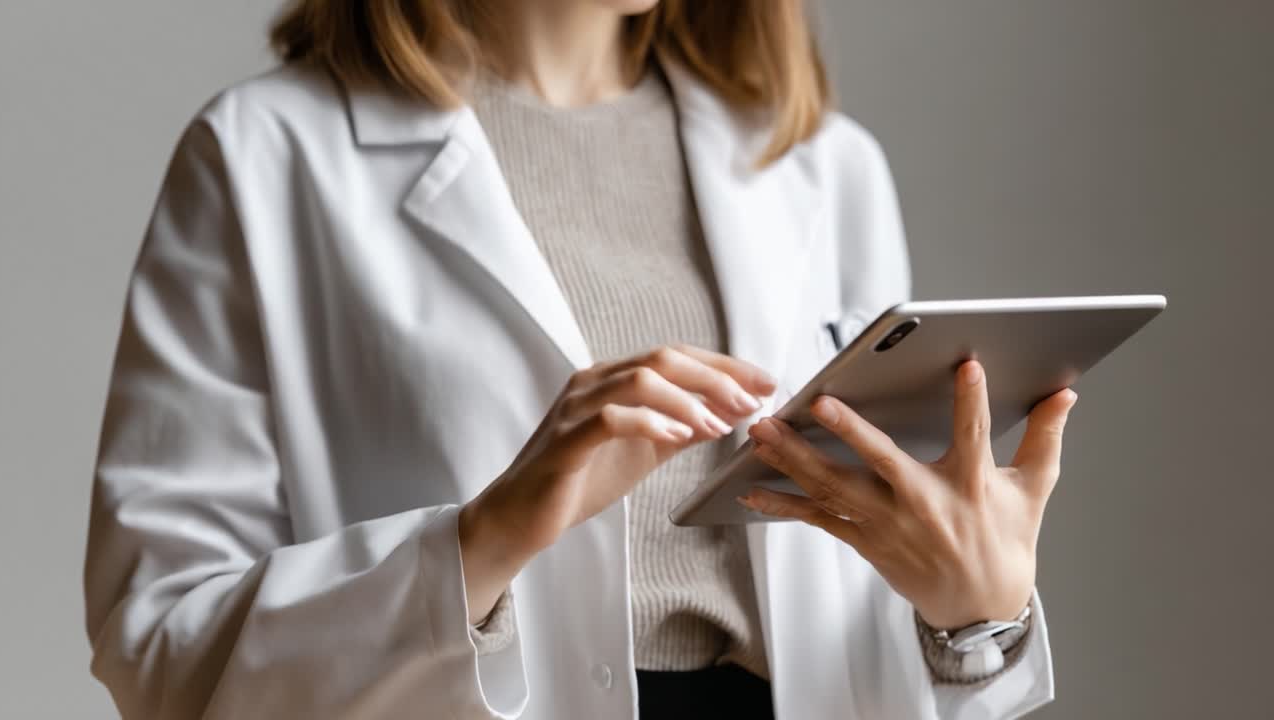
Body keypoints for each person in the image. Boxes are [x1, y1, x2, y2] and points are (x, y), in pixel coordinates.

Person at [83, 1, 1078, 718]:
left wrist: (973, 620)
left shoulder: (822, 164)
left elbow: (861, 645)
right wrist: (479, 544)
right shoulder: (264, 155)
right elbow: (161, 648)